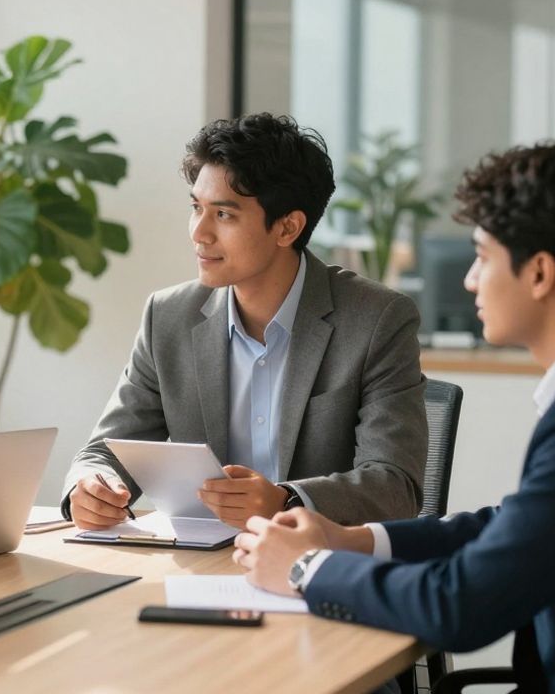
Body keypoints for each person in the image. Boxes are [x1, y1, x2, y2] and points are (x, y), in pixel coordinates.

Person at [235, 141, 555, 693]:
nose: (469, 279)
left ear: (539, 273)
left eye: (482, 256)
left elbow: (462, 607)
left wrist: (305, 569)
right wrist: (355, 540)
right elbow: (515, 527)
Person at [63, 113, 428, 530]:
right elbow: (105, 451)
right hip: (198, 565)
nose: (199, 233)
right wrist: (91, 485)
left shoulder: (376, 320)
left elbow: (395, 486)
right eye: (196, 208)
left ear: (287, 227)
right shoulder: (167, 317)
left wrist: (285, 500)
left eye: (224, 215)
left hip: (320, 567)